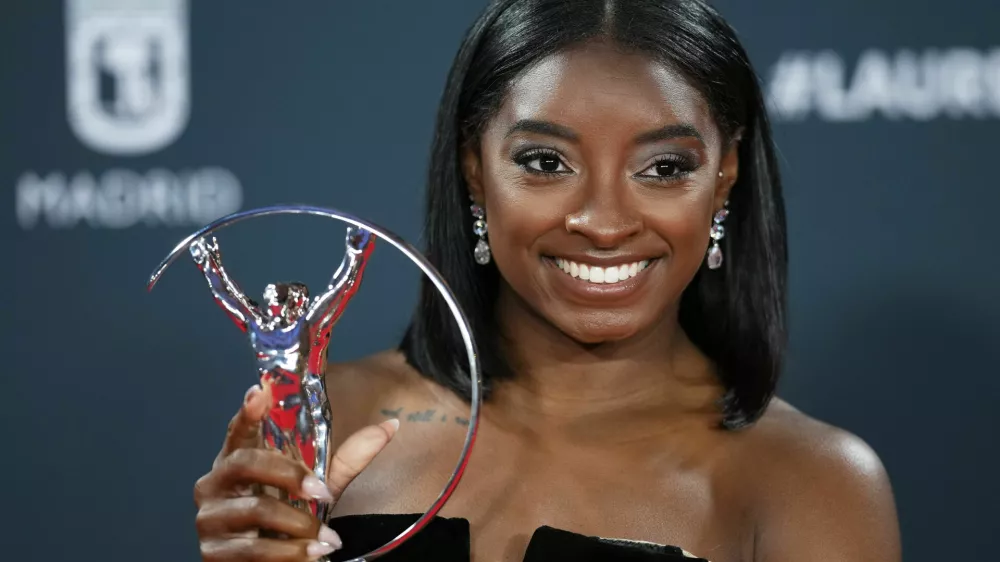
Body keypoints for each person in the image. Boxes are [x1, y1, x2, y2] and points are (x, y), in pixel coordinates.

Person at [191, 0, 902, 560]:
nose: (604, 222)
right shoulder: (333, 419)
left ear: (724, 176)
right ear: (475, 168)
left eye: (664, 168)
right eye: (544, 162)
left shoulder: (810, 483)